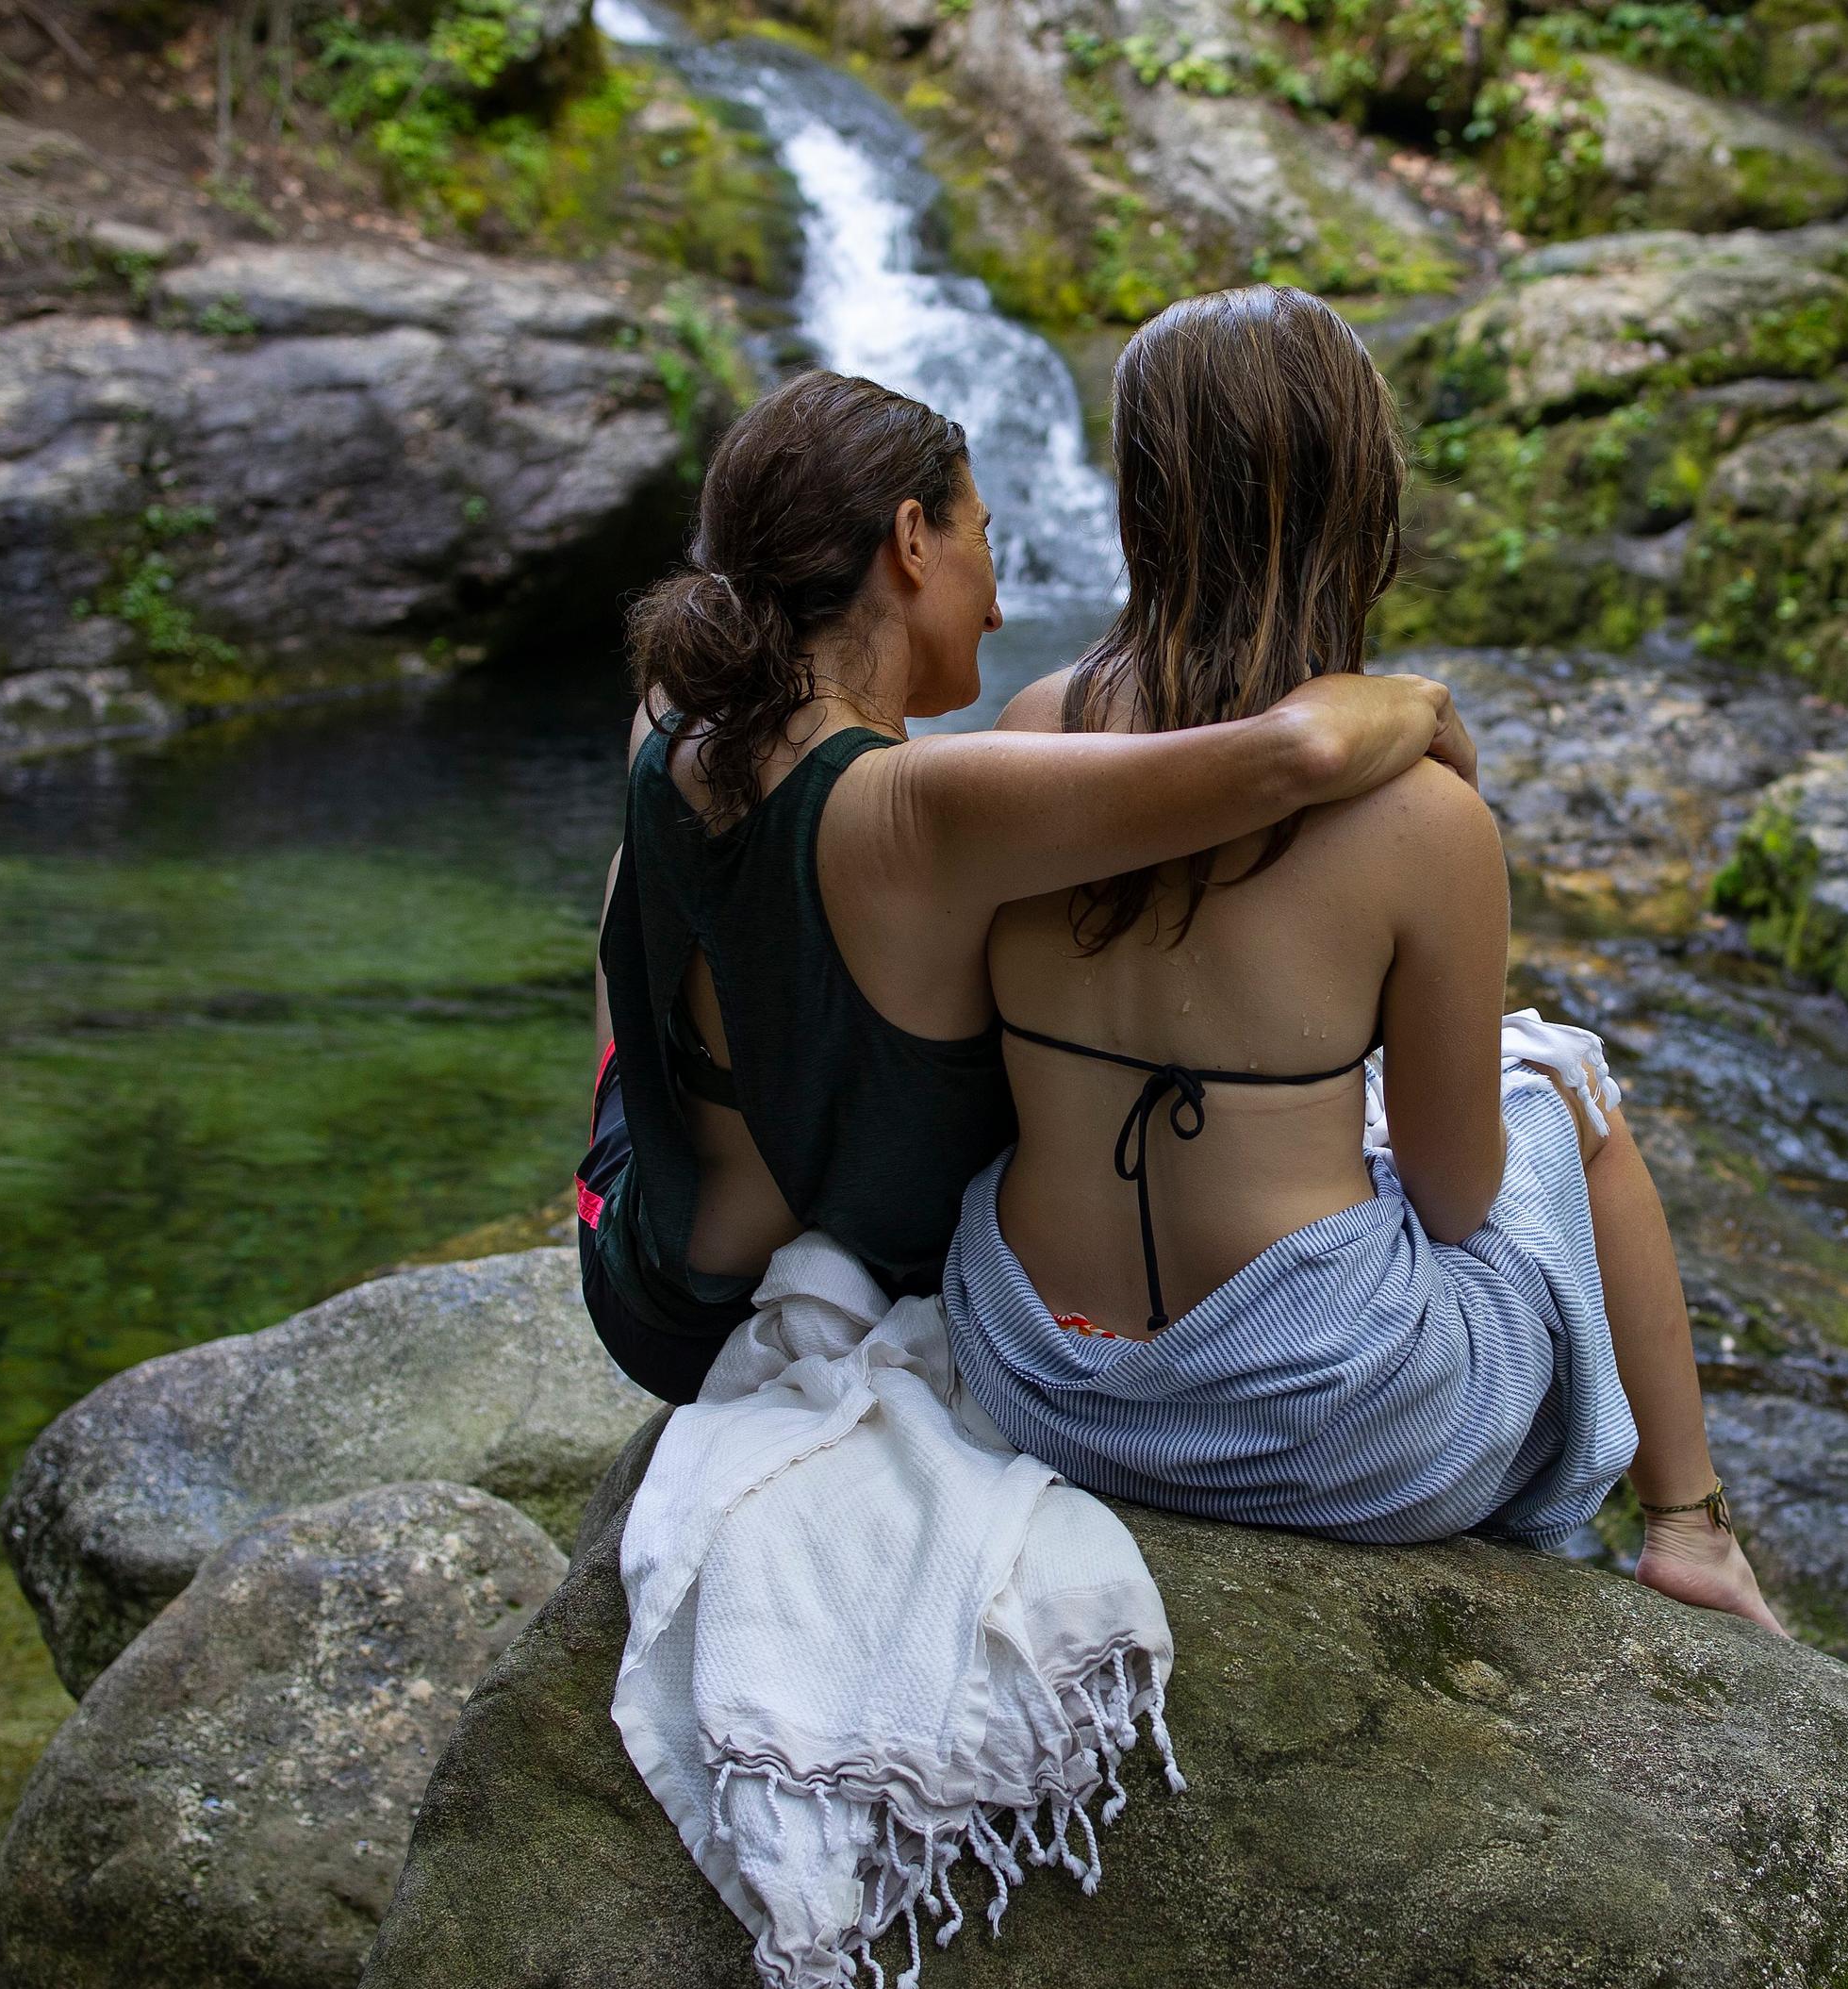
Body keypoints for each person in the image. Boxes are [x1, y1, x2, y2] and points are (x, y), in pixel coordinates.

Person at [942, 287, 1782, 1633]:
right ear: (1360, 499)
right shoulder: (1424, 821)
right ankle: (1690, 1528)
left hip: (1043, 1383)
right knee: (1566, 1082)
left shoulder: (1031, 732)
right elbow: (1457, 1203)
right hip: (1317, 1427)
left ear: (1139, 503)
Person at [580, 370, 1473, 1407]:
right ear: (911, 540)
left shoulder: (678, 712)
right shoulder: (925, 808)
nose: (999, 606)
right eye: (983, 537)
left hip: (635, 1248)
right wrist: (1419, 702)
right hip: (724, 1323)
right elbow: (1298, 755)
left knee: (662, 855)